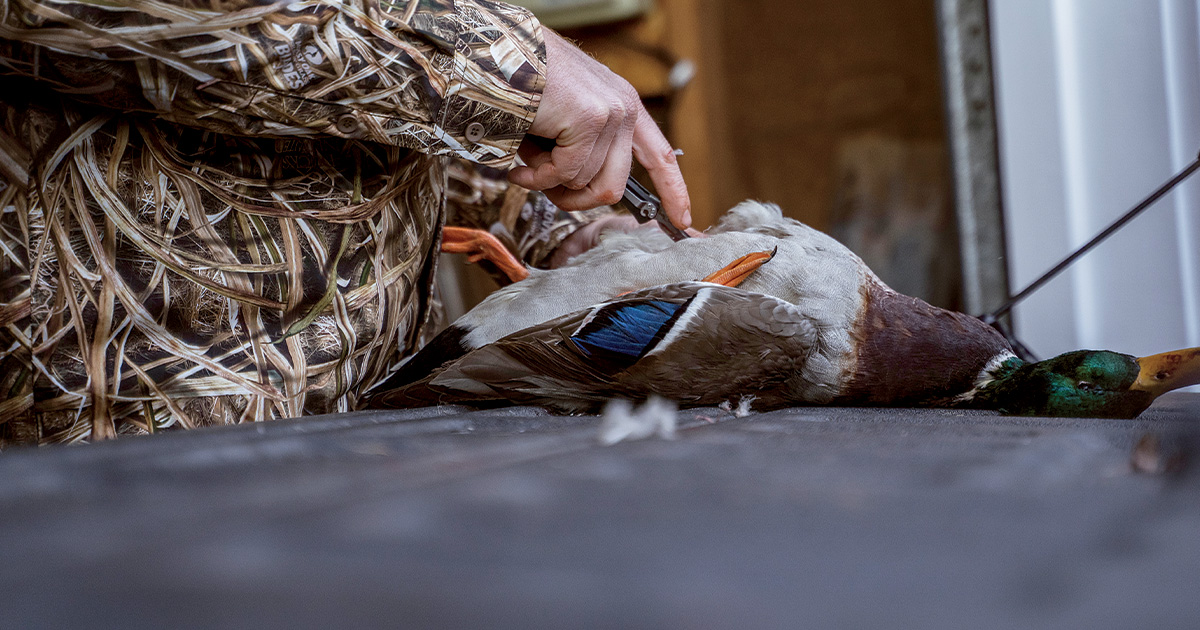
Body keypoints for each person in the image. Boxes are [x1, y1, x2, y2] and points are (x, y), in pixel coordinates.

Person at [0, 0, 691, 445]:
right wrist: (497, 60)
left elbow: (336, 115)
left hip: (378, 439)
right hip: (113, 460)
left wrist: (559, 227)